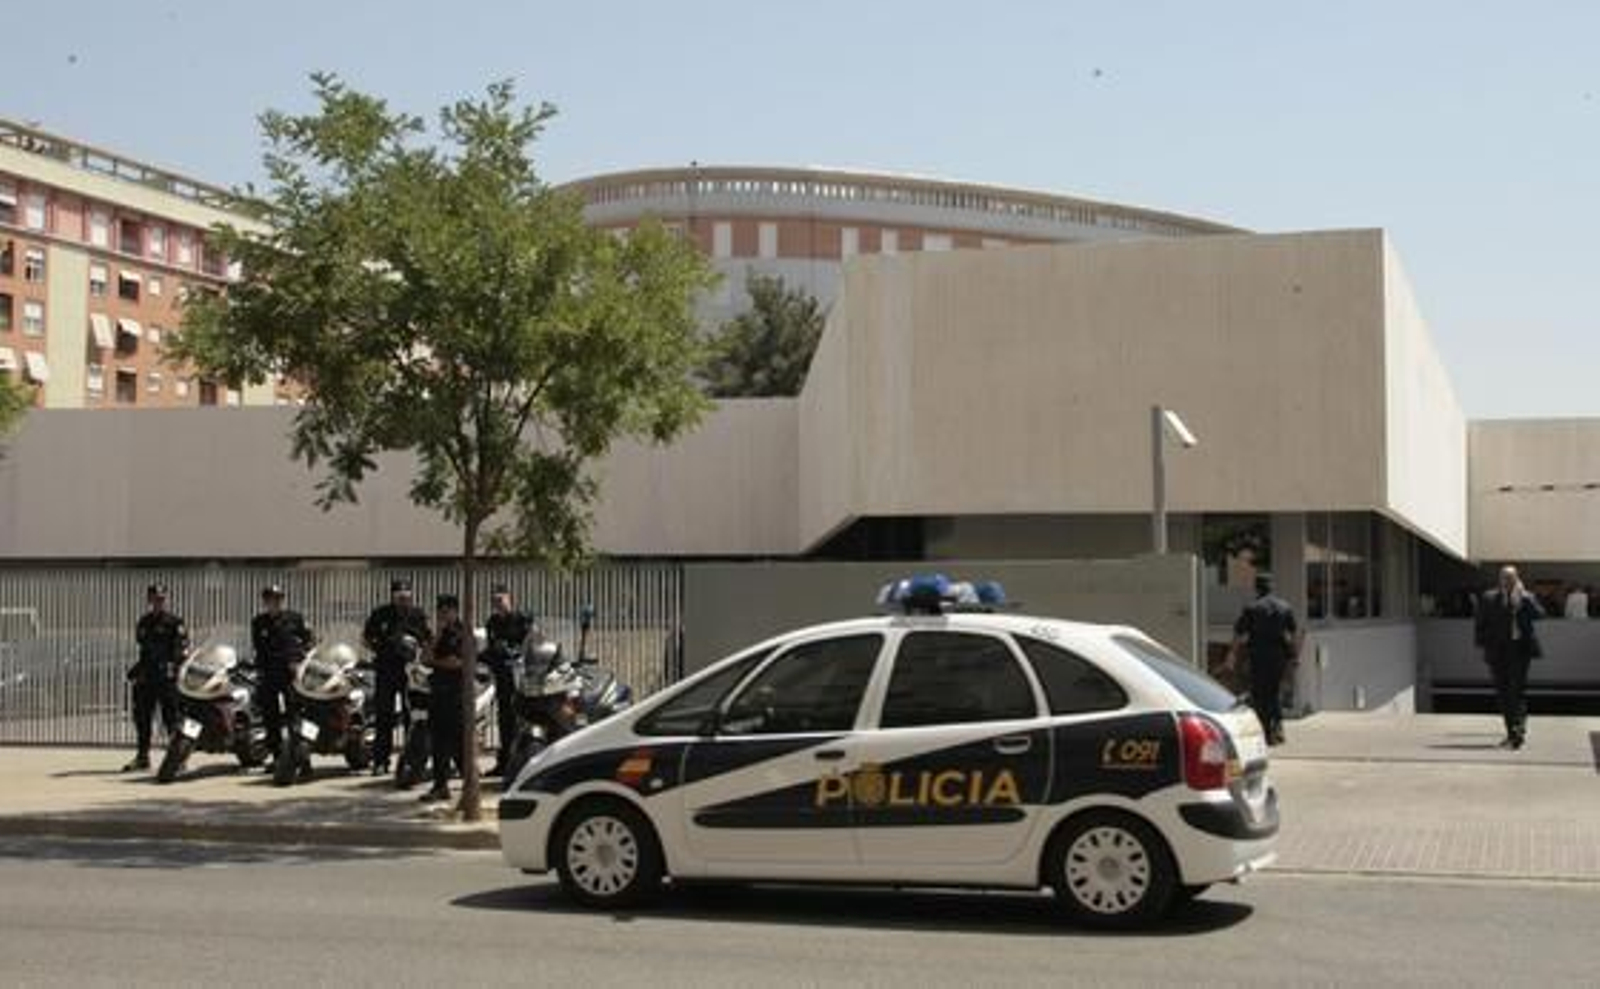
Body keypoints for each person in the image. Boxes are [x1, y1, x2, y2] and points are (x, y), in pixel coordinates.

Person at [362, 579, 431, 776]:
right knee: (384, 716)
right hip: (386, 670)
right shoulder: (381, 614)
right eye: (399, 595)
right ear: (393, 595)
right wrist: (379, 647)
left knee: (412, 717)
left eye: (406, 594)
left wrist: (418, 654)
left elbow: (427, 640)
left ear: (411, 595)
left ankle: (412, 760)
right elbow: (366, 638)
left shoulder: (417, 615)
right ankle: (380, 761)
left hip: (410, 672)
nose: (402, 598)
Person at [1474, 565, 1543, 750]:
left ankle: (1517, 732)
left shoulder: (1526, 597)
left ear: (1517, 579)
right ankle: (1511, 733)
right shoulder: (1489, 597)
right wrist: (1485, 646)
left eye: (1511, 578)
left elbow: (1540, 615)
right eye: (1504, 577)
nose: (1507, 581)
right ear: (1499, 579)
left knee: (1517, 691)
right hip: (1498, 652)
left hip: (1519, 650)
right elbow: (1480, 624)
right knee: (1503, 694)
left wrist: (1524, 598)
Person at [1230, 574, 1299, 746]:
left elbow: (1239, 633)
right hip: (1278, 658)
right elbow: (1291, 634)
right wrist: (1294, 656)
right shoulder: (1285, 607)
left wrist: (1231, 654)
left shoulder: (1251, 608)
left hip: (1258, 656)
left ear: (1257, 588)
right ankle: (1278, 728)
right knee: (1274, 692)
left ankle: (1266, 731)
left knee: (1260, 694)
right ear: (1271, 587)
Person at [124, 583, 188, 772]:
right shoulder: (144, 622)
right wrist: (138, 672)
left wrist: (174, 668)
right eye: (155, 599)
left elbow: (181, 649)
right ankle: (142, 757)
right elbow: (143, 649)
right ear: (149, 600)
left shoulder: (174, 622)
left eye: (161, 599)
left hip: (166, 677)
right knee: (143, 719)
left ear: (166, 600)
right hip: (147, 677)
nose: (158, 603)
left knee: (171, 719)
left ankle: (178, 759)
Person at [251, 584, 316, 766]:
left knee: (295, 716)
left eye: (278, 599)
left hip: (291, 674)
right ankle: (278, 757)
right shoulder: (258, 622)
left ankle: (303, 759)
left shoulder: (295, 619)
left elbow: (309, 641)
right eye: (271, 599)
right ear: (265, 602)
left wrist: (300, 660)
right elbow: (258, 648)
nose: (275, 603)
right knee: (270, 718)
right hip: (269, 673)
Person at [422, 593, 468, 803]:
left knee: (459, 742)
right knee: (438, 742)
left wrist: (435, 662)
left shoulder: (462, 633)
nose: (442, 615)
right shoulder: (439, 634)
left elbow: (458, 663)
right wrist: (438, 636)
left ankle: (469, 785)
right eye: (439, 611)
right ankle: (440, 786)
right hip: (438, 693)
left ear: (454, 611)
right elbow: (425, 657)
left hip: (456, 694)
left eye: (446, 611)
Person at [483, 583, 532, 777]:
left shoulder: (521, 619)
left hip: (520, 678)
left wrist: (516, 652)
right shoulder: (492, 622)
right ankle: (504, 763)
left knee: (521, 721)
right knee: (504, 721)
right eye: (495, 601)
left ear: (509, 599)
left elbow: (530, 644)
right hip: (502, 678)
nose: (498, 604)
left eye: (501, 599)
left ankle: (521, 763)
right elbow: (490, 646)